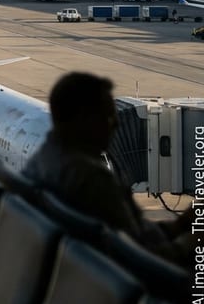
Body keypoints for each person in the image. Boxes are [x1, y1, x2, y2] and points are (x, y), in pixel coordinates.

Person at [22, 72, 192, 266]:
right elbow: (145, 260)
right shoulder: (92, 180)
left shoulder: (48, 159)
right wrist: (191, 242)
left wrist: (181, 225)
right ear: (84, 121)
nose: (118, 123)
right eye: (109, 117)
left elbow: (134, 237)